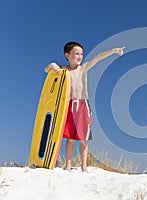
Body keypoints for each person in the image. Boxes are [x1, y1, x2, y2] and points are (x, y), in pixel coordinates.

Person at [45, 42, 125, 172]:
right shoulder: (63, 70)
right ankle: (68, 165)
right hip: (69, 105)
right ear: (67, 55)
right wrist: (53, 66)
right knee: (70, 138)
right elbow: (47, 69)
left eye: (81, 54)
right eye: (76, 54)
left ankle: (84, 166)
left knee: (83, 138)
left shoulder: (83, 68)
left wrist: (114, 50)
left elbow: (98, 57)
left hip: (82, 105)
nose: (80, 56)